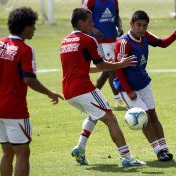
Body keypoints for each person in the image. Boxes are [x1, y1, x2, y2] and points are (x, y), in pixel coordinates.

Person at [0, 7, 63, 176]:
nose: (34, 30)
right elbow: (28, 79)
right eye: (33, 26)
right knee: (23, 152)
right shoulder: (25, 50)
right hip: (15, 110)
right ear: (25, 27)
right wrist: (50, 92)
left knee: (7, 152)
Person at [60, 8, 145, 167]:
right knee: (110, 118)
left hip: (68, 92)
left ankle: (80, 148)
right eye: (90, 21)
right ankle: (127, 157)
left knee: (94, 114)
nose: (93, 23)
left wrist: (110, 65)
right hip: (83, 89)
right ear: (81, 23)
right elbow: (102, 64)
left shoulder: (65, 42)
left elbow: (80, 68)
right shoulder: (88, 40)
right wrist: (121, 64)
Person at [113, 10, 176, 161]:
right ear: (131, 24)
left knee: (153, 115)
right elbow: (117, 69)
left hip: (143, 83)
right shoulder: (123, 43)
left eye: (144, 26)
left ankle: (164, 148)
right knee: (143, 116)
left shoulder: (145, 36)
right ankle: (158, 151)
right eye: (138, 25)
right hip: (127, 89)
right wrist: (128, 91)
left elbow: (162, 43)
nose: (141, 29)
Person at [82, 0, 126, 109]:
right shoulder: (91, 1)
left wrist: (120, 26)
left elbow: (116, 16)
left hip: (113, 39)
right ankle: (119, 100)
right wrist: (93, 29)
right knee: (112, 69)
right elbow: (82, 17)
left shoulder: (114, 1)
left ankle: (91, 98)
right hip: (101, 41)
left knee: (106, 71)